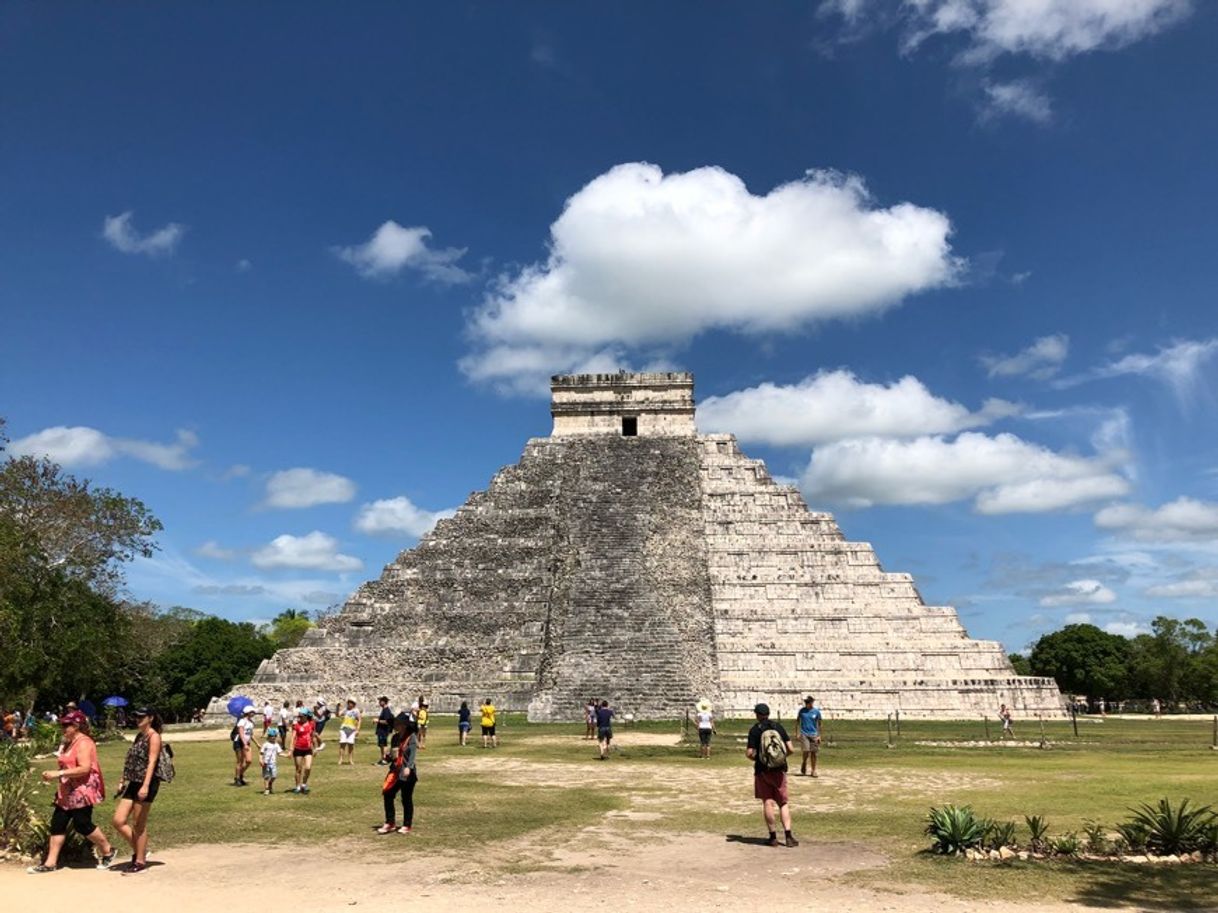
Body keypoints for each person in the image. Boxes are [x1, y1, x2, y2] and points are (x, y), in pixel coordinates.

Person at [28, 710, 117, 873]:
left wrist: (58, 773)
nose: (63, 728)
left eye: (66, 725)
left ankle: (108, 850)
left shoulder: (84, 742)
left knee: (82, 824)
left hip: (81, 791)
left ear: (76, 726)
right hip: (66, 791)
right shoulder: (69, 742)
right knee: (57, 824)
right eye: (62, 725)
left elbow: (84, 768)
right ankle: (50, 863)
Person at [113, 708, 171, 875]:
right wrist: (122, 779)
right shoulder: (139, 736)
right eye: (136, 716)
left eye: (141, 717)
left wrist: (145, 786)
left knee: (138, 823)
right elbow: (130, 759)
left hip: (147, 782)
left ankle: (139, 861)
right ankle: (141, 850)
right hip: (134, 782)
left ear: (150, 718)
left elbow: (152, 762)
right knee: (118, 820)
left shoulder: (154, 737)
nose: (138, 719)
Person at [746, 703, 798, 848]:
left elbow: (749, 753)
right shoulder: (778, 727)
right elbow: (791, 749)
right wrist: (780, 758)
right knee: (783, 803)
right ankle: (788, 836)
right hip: (780, 770)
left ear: (757, 715)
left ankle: (773, 837)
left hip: (762, 770)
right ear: (769, 713)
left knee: (768, 802)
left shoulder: (755, 730)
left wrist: (759, 759)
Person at [377, 714, 419, 835]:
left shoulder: (411, 737)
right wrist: (387, 757)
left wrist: (409, 767)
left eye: (398, 723)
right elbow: (394, 754)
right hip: (395, 771)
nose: (396, 725)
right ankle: (390, 822)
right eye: (395, 723)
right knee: (388, 793)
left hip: (407, 772)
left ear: (405, 725)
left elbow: (412, 754)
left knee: (406, 799)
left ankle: (407, 824)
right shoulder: (395, 737)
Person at [290, 707, 319, 793]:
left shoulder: (311, 724)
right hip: (298, 749)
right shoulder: (296, 725)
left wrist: (315, 747)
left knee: (308, 767)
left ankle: (304, 784)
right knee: (298, 769)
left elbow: (312, 736)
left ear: (306, 716)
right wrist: (291, 749)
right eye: (299, 716)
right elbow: (293, 737)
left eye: (301, 716)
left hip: (308, 749)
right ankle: (298, 786)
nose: (300, 718)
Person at [796, 696, 823, 776]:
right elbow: (797, 722)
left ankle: (813, 770)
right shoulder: (802, 711)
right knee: (806, 751)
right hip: (804, 733)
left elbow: (820, 724)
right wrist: (797, 733)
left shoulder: (816, 712)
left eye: (810, 702)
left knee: (814, 752)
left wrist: (819, 735)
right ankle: (804, 762)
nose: (809, 704)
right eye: (808, 702)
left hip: (814, 734)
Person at [233, 705, 259, 786]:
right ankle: (238, 778)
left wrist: (257, 743)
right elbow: (241, 733)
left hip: (246, 743)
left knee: (248, 761)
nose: (253, 713)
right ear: (248, 712)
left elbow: (250, 734)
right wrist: (244, 744)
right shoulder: (242, 721)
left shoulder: (251, 723)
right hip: (239, 742)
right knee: (240, 762)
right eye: (252, 712)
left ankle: (240, 775)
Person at [337, 698, 361, 765]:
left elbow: (359, 720)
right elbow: (338, 715)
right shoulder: (345, 709)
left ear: (354, 704)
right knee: (342, 744)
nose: (349, 704)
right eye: (349, 702)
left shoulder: (356, 711)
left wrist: (358, 729)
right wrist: (337, 707)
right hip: (344, 729)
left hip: (352, 730)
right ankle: (341, 759)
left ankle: (350, 760)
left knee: (351, 745)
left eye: (351, 702)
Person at [261, 728, 282, 794]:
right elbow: (261, 753)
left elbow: (279, 753)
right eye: (271, 736)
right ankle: (266, 789)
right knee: (266, 776)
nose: (273, 738)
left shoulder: (276, 745)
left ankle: (270, 784)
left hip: (273, 763)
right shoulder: (265, 744)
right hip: (266, 763)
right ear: (268, 737)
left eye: (274, 736)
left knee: (274, 776)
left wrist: (287, 755)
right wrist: (260, 760)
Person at [374, 696, 393, 765]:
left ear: (384, 702)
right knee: (381, 745)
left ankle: (384, 759)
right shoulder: (384, 710)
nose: (379, 703)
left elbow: (387, 721)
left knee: (384, 744)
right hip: (381, 730)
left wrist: (377, 721)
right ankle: (382, 758)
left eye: (380, 701)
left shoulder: (386, 710)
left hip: (383, 731)